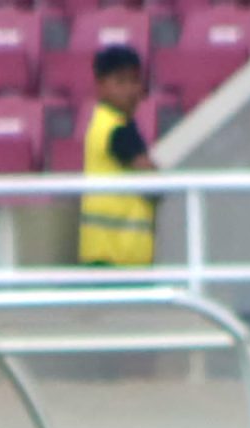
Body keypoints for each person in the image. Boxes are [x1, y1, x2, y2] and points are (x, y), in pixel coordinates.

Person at [79, 44, 156, 267]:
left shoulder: (102, 123)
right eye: (120, 82)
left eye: (134, 81)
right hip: (115, 257)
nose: (130, 90)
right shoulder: (116, 130)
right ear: (101, 86)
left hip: (110, 254)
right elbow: (152, 178)